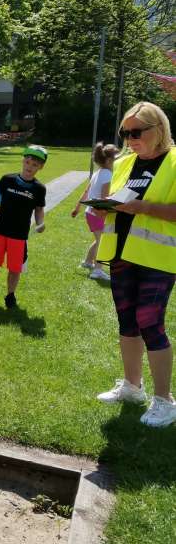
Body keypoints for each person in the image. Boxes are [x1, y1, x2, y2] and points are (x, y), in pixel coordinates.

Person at [95, 101, 176, 428]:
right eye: (125, 133)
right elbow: (119, 202)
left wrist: (141, 207)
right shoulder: (125, 163)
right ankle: (132, 387)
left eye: (137, 132)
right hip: (122, 254)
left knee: (149, 321)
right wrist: (105, 208)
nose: (130, 139)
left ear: (158, 129)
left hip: (158, 257)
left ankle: (165, 401)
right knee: (127, 321)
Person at [0, 145, 48, 309]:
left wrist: (40, 223)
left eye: (35, 165)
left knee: (15, 268)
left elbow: (39, 209)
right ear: (23, 161)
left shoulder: (39, 189)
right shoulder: (7, 180)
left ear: (41, 167)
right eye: (28, 162)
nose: (30, 167)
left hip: (19, 235)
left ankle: (10, 295)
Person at [71, 143, 118, 281]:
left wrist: (77, 207)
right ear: (109, 161)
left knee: (98, 239)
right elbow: (104, 199)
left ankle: (87, 262)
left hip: (89, 213)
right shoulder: (108, 175)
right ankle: (97, 270)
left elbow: (86, 191)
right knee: (103, 241)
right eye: (117, 159)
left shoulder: (97, 173)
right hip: (98, 214)